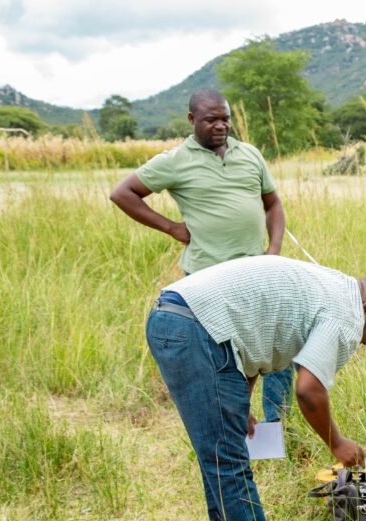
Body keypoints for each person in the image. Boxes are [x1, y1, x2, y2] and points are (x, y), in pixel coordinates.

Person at [145, 255, 366, 521]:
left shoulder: (330, 286)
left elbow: (255, 338)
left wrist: (241, 402)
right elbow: (308, 390)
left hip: (178, 320)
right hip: (192, 328)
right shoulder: (346, 312)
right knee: (227, 460)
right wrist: (337, 442)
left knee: (220, 455)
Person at [111, 88, 296, 421]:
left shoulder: (250, 154)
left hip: (258, 272)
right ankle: (232, 422)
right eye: (211, 120)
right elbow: (123, 194)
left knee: (279, 348)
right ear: (192, 120)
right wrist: (171, 227)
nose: (221, 126)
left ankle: (278, 426)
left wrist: (274, 250)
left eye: (225, 118)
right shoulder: (175, 161)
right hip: (207, 280)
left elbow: (273, 204)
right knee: (224, 357)